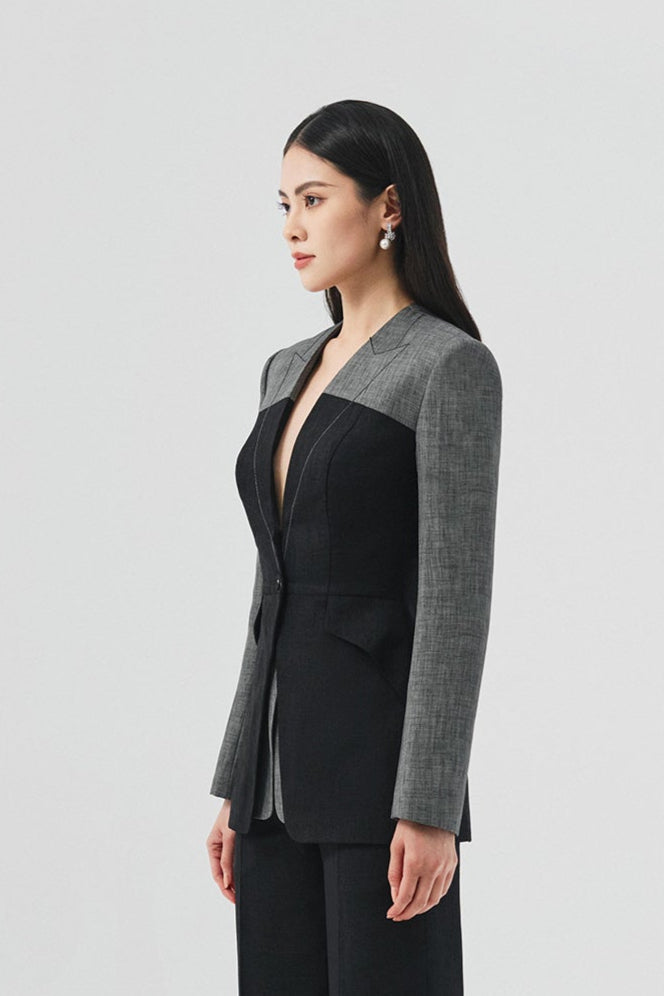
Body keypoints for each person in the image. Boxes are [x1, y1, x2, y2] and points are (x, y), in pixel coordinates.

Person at [205, 99, 502, 995]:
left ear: (388, 207)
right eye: (284, 205)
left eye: (314, 199)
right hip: (272, 784)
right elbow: (269, 594)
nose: (292, 228)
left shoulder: (447, 365)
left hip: (381, 780)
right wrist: (235, 784)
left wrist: (431, 805)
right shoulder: (284, 369)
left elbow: (454, 601)